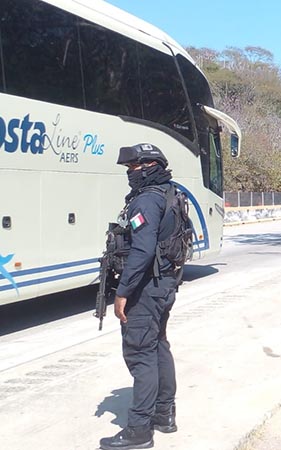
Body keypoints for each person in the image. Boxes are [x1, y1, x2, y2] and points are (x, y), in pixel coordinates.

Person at [100, 143, 180, 450]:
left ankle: (139, 431)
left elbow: (143, 251)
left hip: (146, 289)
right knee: (158, 346)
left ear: (147, 167)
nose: (129, 175)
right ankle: (164, 415)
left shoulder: (146, 201)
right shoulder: (170, 193)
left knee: (140, 354)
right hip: (164, 284)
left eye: (132, 169)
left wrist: (123, 292)